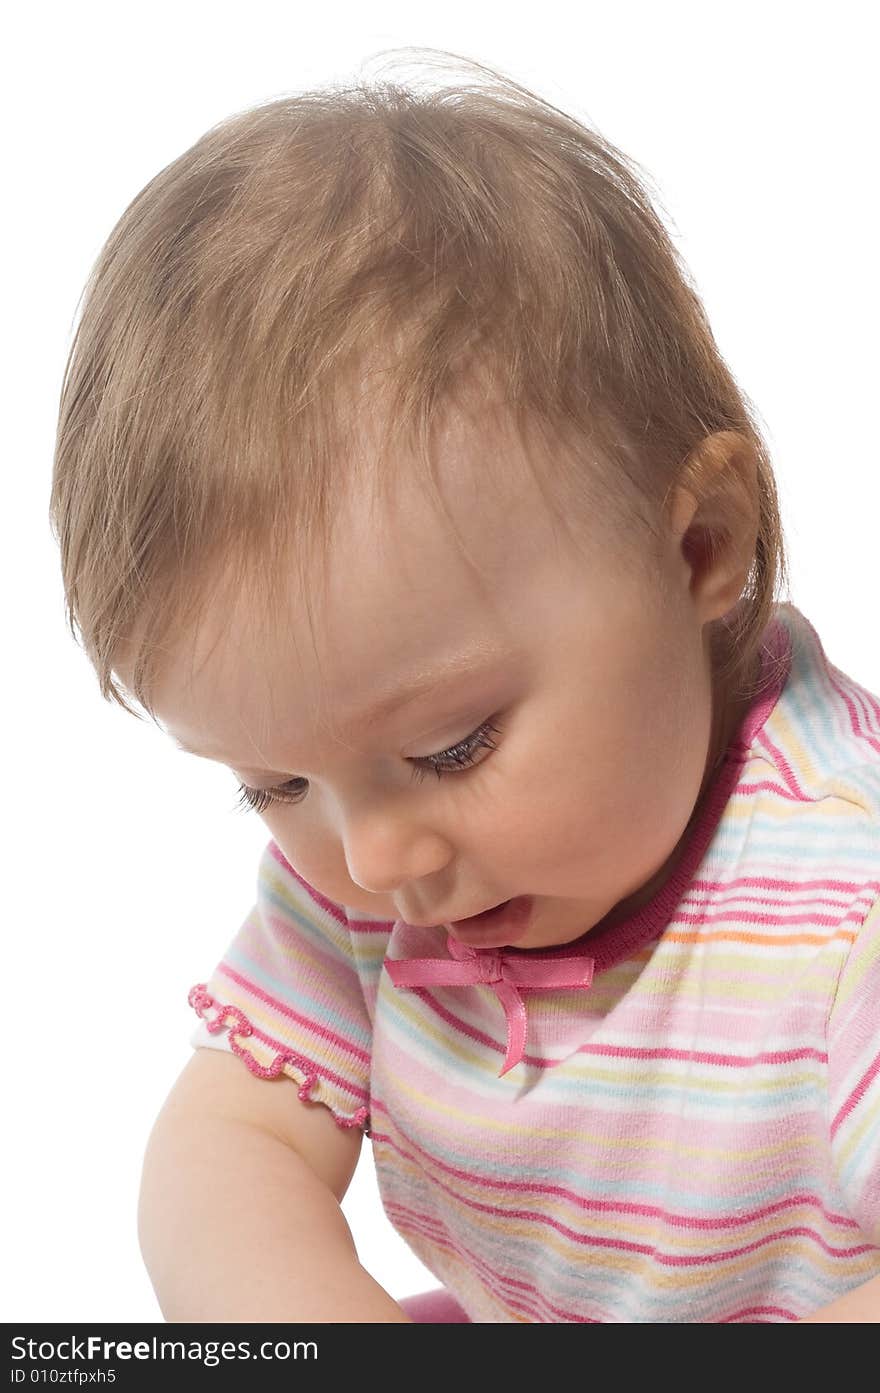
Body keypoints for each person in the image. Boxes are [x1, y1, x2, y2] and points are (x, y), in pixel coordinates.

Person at [49, 50, 880, 1323]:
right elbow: (230, 1146)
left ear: (699, 547)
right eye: (272, 783)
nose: (375, 857)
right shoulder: (374, 858)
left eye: (451, 746)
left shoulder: (843, 898)